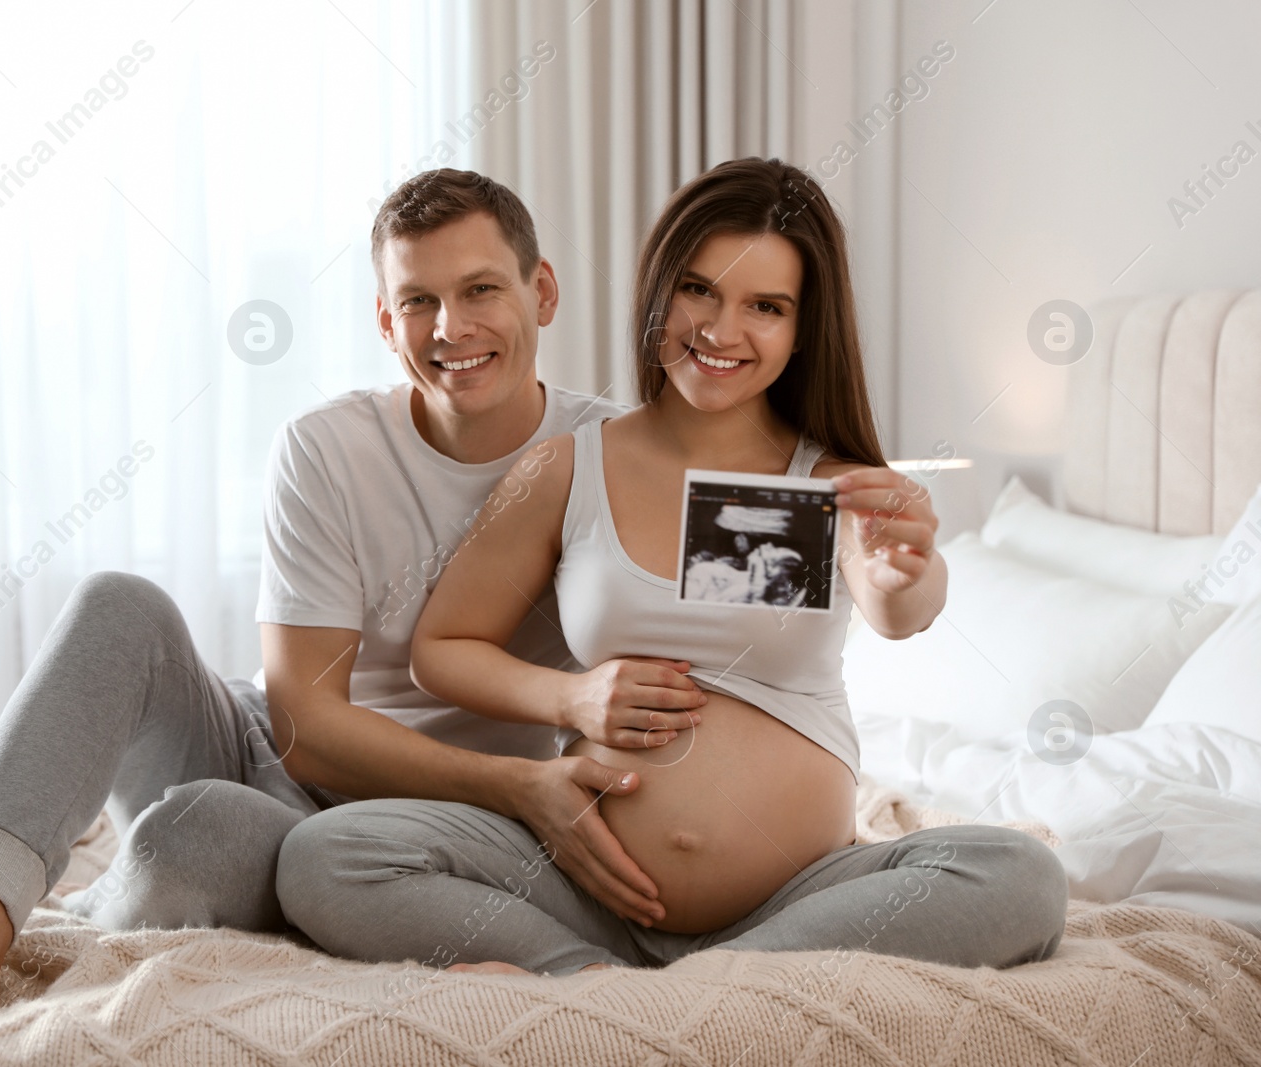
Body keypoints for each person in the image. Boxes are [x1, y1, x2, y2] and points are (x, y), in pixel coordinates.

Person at [0, 169, 638, 1039]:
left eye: (481, 290)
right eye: (418, 300)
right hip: (277, 753)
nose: (450, 328)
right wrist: (523, 781)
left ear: (541, 292)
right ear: (386, 322)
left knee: (191, 839)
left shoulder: (618, 459)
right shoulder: (329, 446)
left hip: (402, 840)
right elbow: (306, 725)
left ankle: (85, 878)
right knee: (117, 603)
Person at [274, 158, 1069, 976]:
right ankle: (611, 981)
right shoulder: (567, 467)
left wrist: (907, 573)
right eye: (699, 291)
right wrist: (572, 694)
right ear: (659, 294)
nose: (721, 331)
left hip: (794, 896)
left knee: (1020, 876)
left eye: (766, 306)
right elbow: (443, 649)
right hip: (577, 882)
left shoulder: (820, 486)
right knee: (325, 857)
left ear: (803, 329)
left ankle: (667, 996)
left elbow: (898, 609)